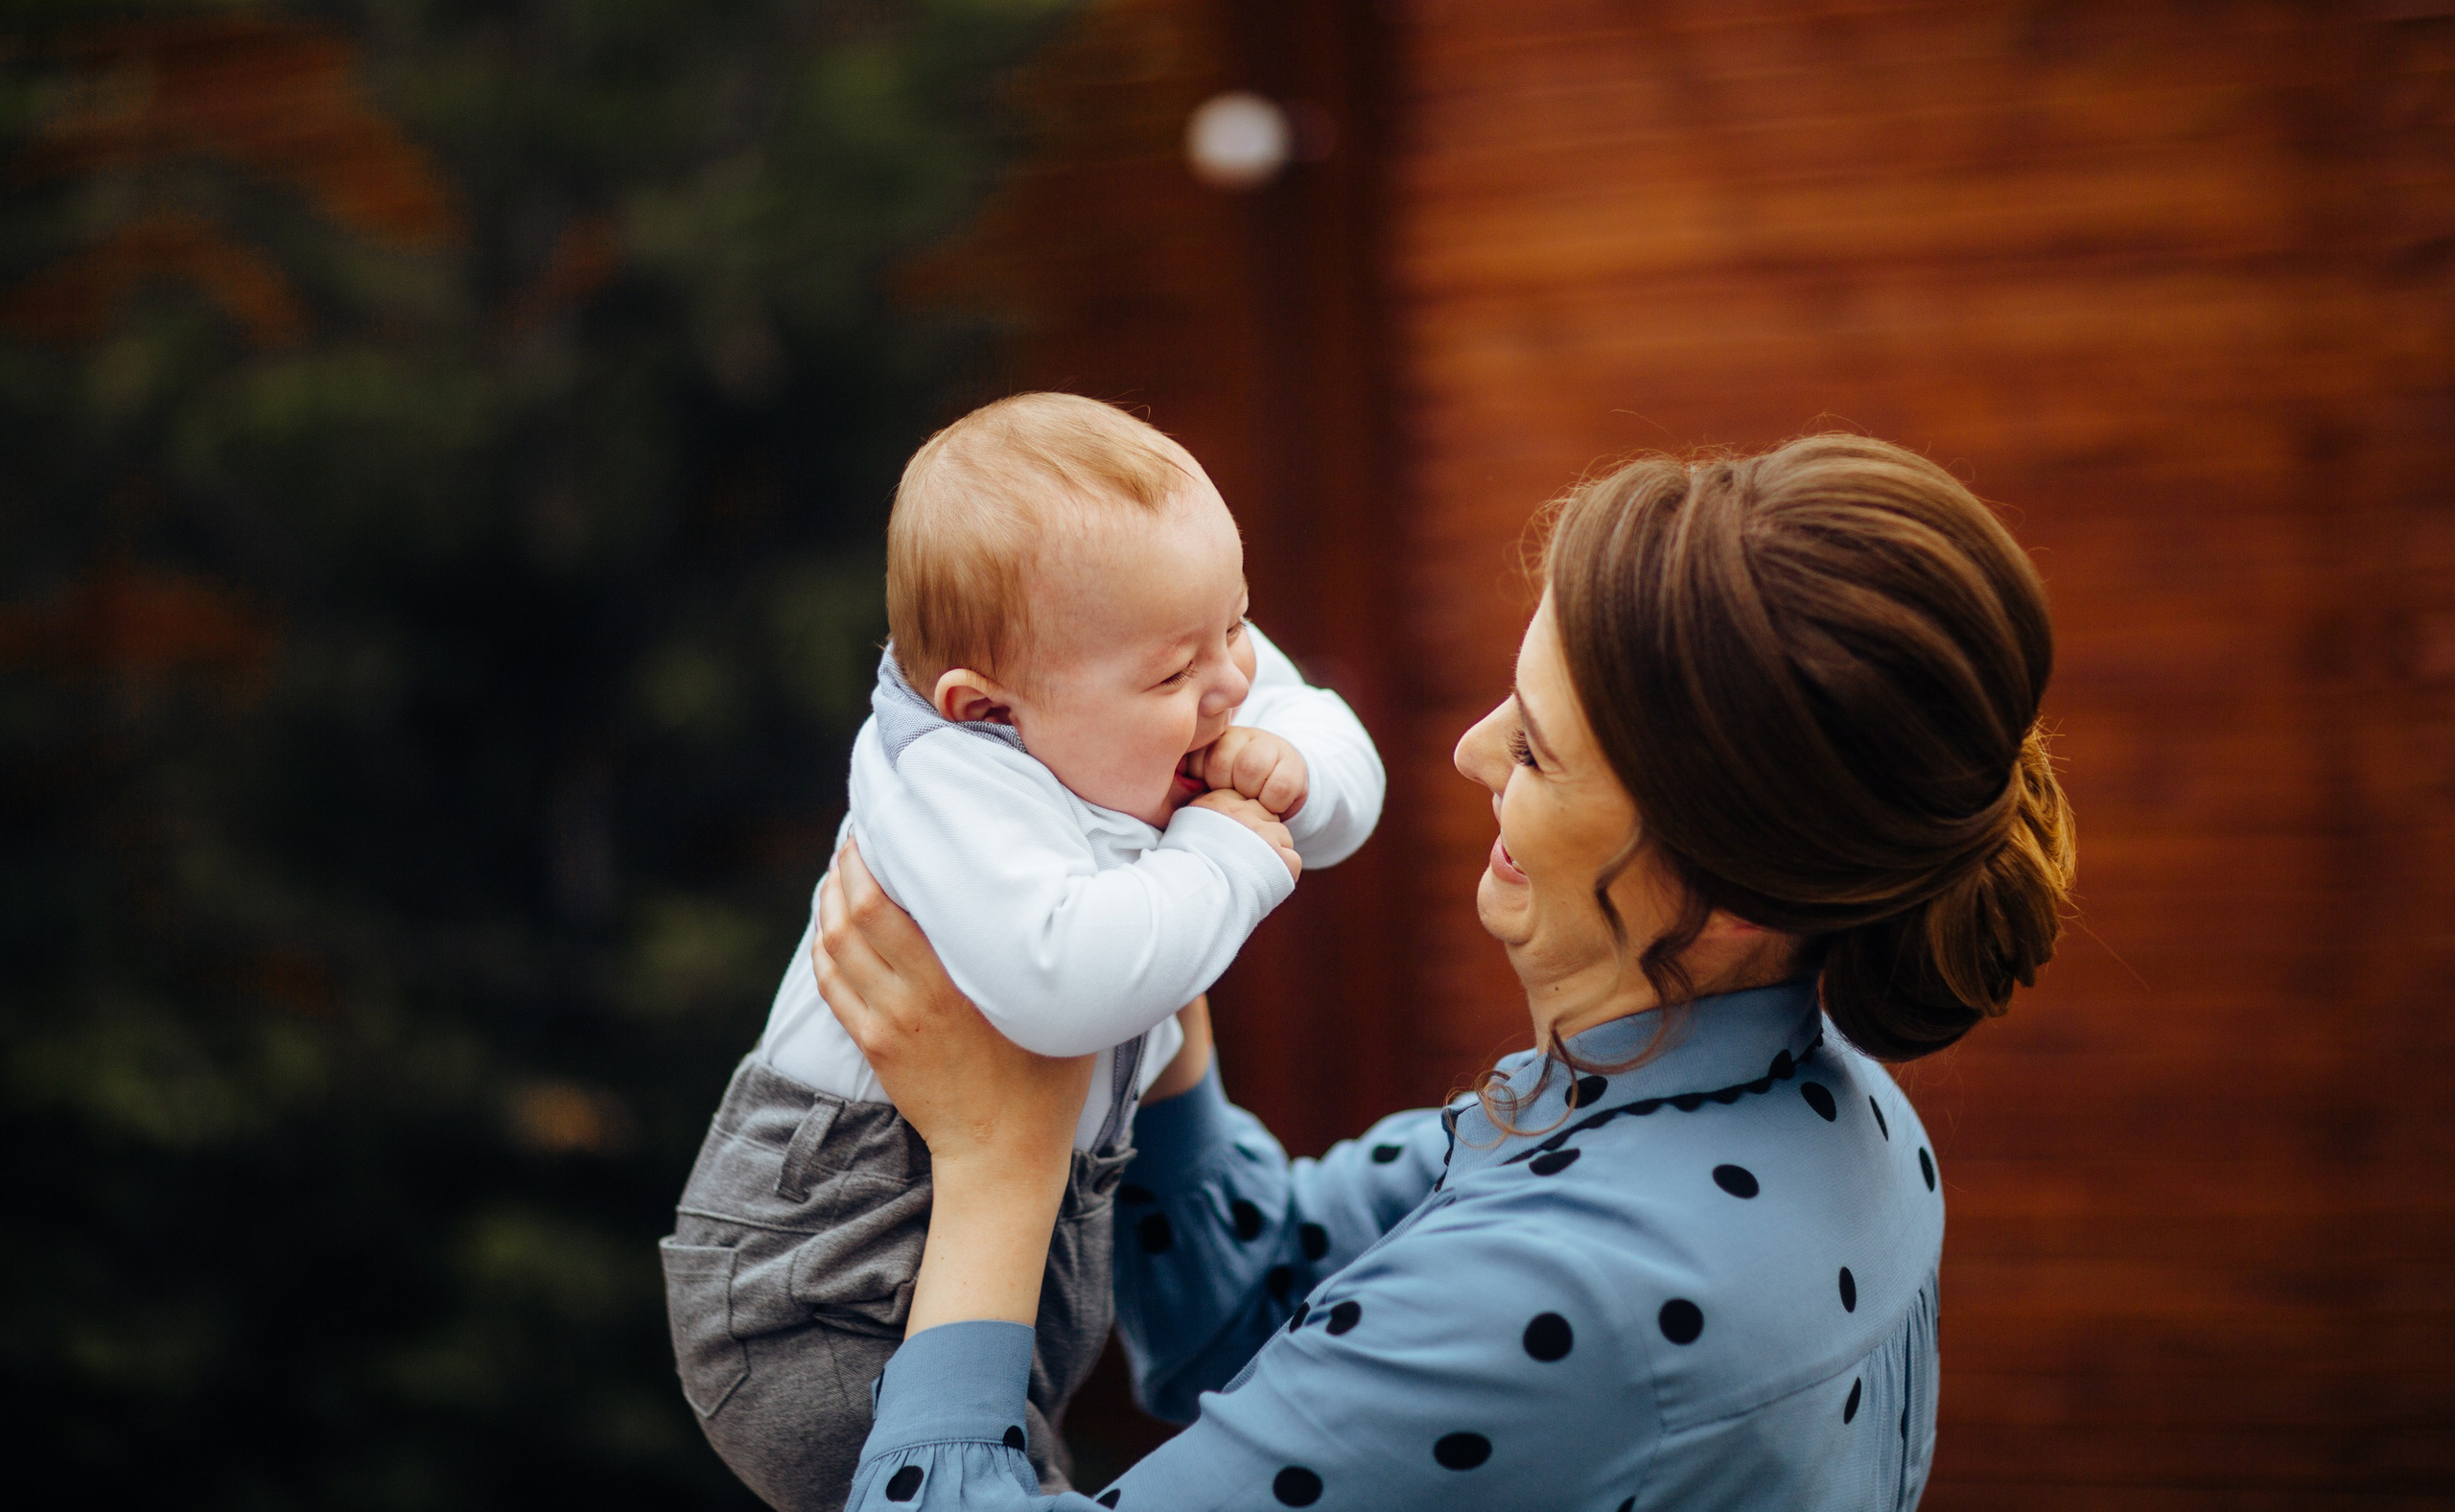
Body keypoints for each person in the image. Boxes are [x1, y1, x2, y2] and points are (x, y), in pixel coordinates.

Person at [810, 433, 2076, 1511]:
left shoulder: (1578, 1287)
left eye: (1535, 752)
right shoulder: (1799, 1106)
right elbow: (1246, 1316)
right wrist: (1156, 998)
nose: (1473, 752)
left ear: (1733, 892)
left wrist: (998, 1162)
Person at [661, 395, 1387, 1510]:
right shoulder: (950, 774)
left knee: (1019, 1468)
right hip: (825, 1276)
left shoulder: (1170, 654)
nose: (1233, 685)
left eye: (1237, 627)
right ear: (986, 709)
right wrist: (1226, 850)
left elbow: (1334, 748)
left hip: (1018, 1220)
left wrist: (1293, 774)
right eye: (1173, 677)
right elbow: (1067, 986)